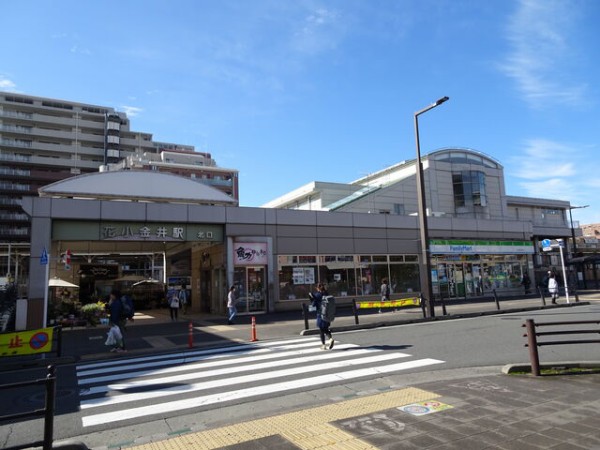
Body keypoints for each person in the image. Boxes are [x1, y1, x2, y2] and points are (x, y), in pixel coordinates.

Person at [310, 283, 334, 350]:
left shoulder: (317, 295)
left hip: (320, 314)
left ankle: (323, 345)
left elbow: (313, 304)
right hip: (327, 314)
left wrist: (312, 298)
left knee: (321, 330)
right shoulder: (327, 294)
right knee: (326, 329)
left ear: (318, 288)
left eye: (317, 288)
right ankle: (330, 339)